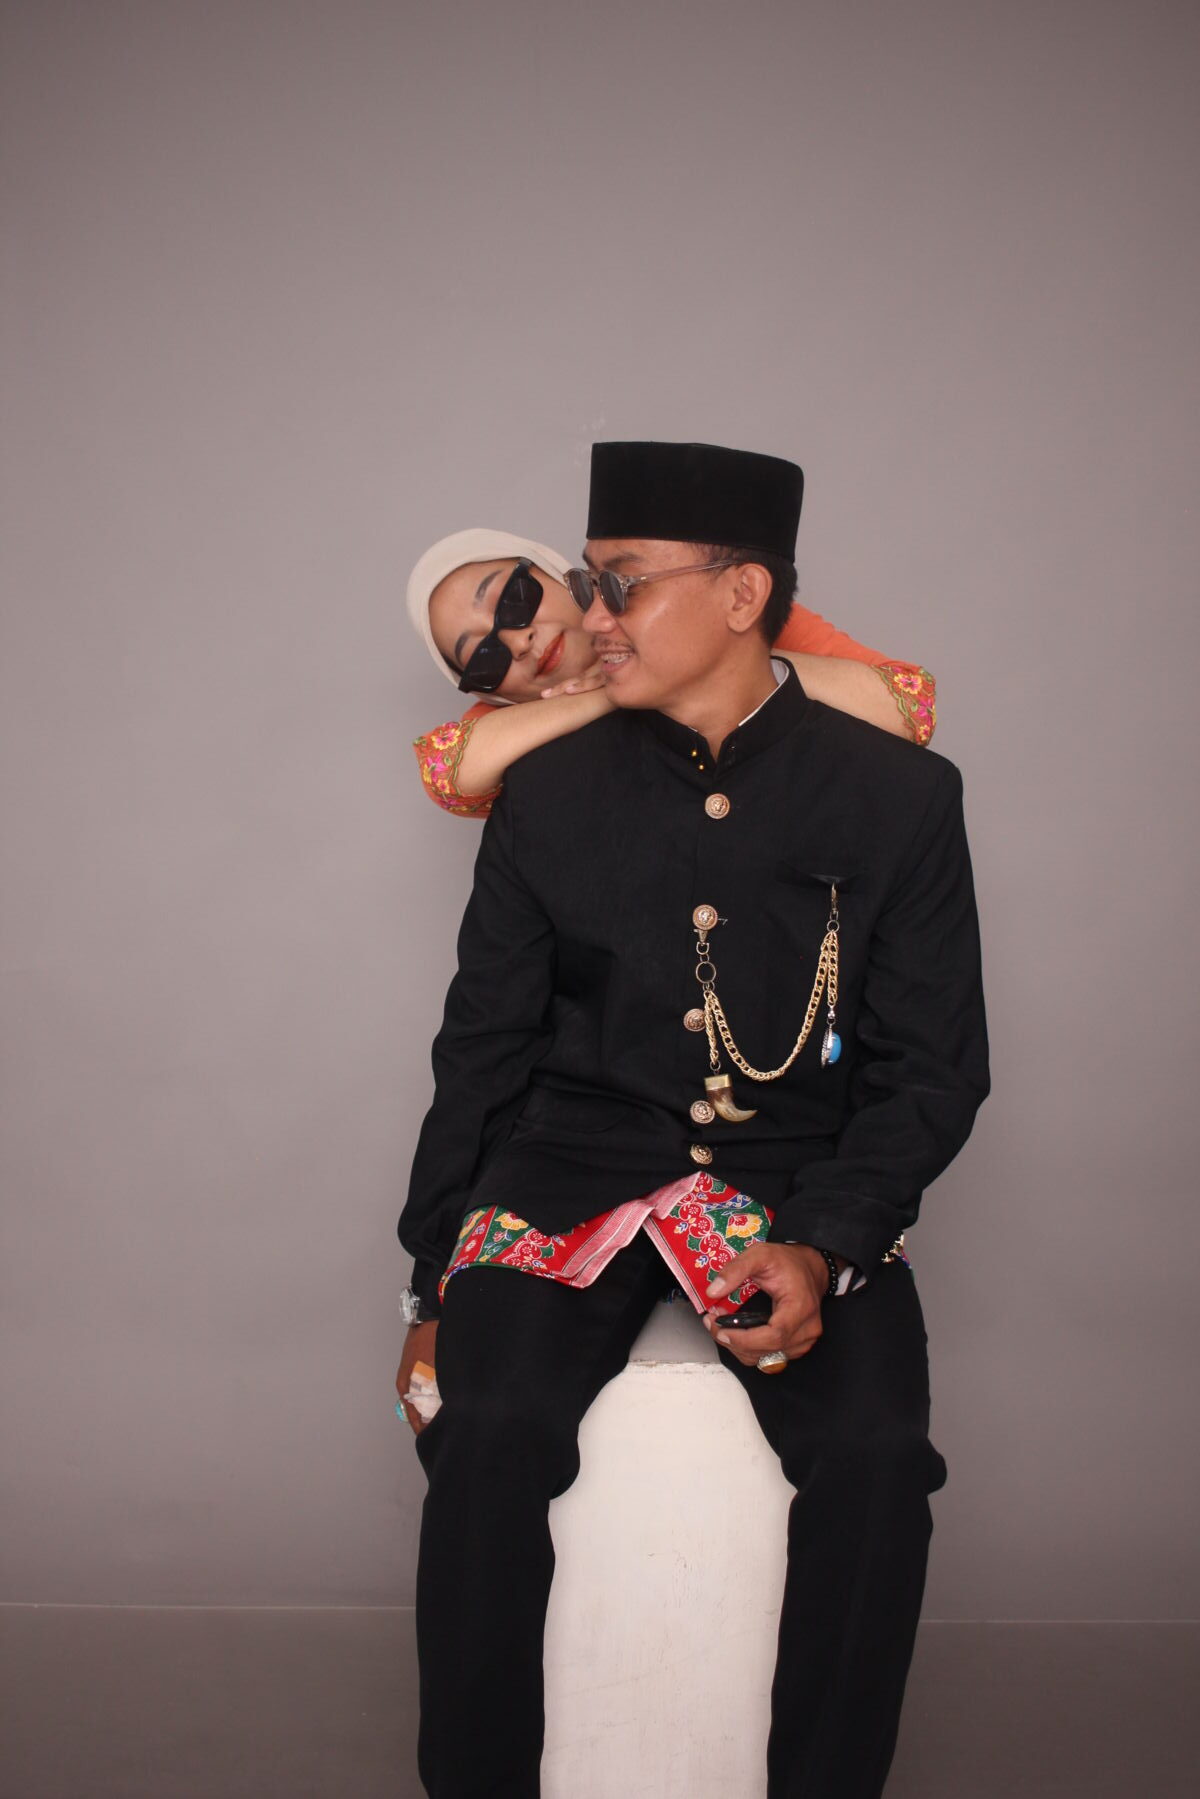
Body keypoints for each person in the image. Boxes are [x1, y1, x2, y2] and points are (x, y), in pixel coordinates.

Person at [397, 441, 989, 1798]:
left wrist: (826, 1242)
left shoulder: (901, 794)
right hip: (569, 1169)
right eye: (592, 580)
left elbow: (931, 1068)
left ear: (742, 593)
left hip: (799, 1182)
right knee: (484, 1429)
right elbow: (483, 1047)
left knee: (878, 1459)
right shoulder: (547, 790)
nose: (591, 616)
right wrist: (432, 1277)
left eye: (623, 583)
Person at [406, 527, 937, 821]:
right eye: (483, 657)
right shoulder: (511, 726)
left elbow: (909, 708)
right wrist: (611, 689)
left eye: (512, 601)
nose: (517, 641)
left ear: (554, 571)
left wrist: (709, 662)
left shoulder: (715, 608)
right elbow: (446, 773)